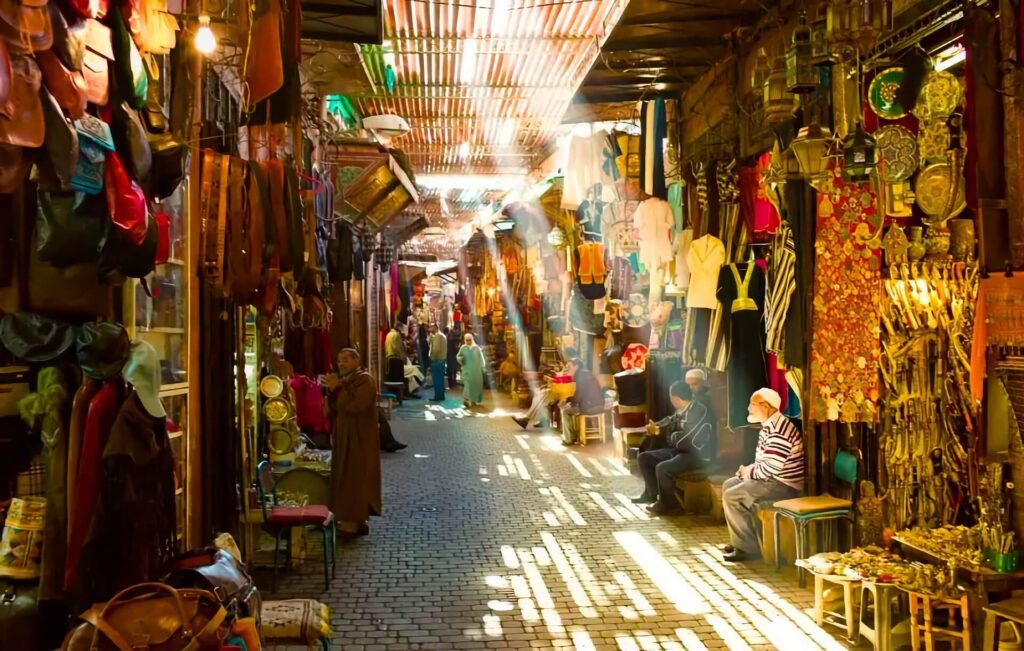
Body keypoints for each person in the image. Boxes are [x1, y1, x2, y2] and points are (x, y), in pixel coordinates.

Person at [721, 388, 805, 562]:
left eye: (753, 404)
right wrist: (747, 471)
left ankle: (747, 549)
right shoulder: (771, 425)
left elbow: (770, 469)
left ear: (766, 407)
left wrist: (747, 472)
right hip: (771, 478)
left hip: (783, 485)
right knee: (728, 485)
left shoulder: (778, 430)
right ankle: (742, 541)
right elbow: (765, 463)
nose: (749, 408)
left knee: (732, 496)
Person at [633, 382, 716, 516]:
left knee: (663, 468)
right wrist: (657, 428)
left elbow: (686, 438)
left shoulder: (699, 410)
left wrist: (669, 436)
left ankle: (670, 505)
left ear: (676, 398)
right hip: (680, 450)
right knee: (645, 458)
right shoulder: (681, 410)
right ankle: (651, 494)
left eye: (671, 398)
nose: (671, 400)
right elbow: (669, 421)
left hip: (697, 455)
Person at [325, 349, 382, 541]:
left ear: (357, 360)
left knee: (354, 476)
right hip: (345, 434)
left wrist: (338, 389)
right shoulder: (348, 381)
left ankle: (351, 523)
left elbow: (355, 405)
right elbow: (334, 407)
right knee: (347, 474)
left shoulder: (365, 381)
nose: (341, 364)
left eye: (346, 360)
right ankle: (356, 521)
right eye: (339, 360)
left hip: (358, 438)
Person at [512, 346, 579, 430]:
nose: (563, 356)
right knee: (539, 394)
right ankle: (540, 419)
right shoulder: (569, 364)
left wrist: (552, 381)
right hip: (560, 389)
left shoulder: (572, 365)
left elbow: (567, 380)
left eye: (564, 354)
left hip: (565, 392)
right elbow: (562, 378)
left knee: (543, 395)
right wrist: (551, 380)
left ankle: (528, 418)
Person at [560, 357, 605, 445]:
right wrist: (569, 401)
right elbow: (579, 394)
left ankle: (568, 439)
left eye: (569, 366)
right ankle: (572, 436)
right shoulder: (583, 373)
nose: (567, 369)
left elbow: (579, 394)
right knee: (568, 407)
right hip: (593, 404)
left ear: (576, 366)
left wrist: (570, 403)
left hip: (591, 406)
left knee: (565, 411)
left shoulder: (582, 375)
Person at [457, 333, 486, 408]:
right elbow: (458, 356)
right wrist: (461, 359)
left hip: (476, 371)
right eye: (467, 340)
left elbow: (481, 359)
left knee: (476, 385)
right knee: (467, 385)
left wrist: (483, 367)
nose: (468, 342)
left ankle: (474, 401)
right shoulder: (463, 348)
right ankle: (466, 400)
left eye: (469, 340)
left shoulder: (476, 348)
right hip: (467, 370)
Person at [428, 325, 447, 401]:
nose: (429, 329)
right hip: (441, 359)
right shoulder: (441, 335)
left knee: (437, 379)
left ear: (435, 327)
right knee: (440, 379)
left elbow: (436, 349)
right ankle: (440, 395)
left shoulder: (438, 336)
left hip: (437, 360)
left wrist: (432, 358)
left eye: (431, 327)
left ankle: (438, 396)